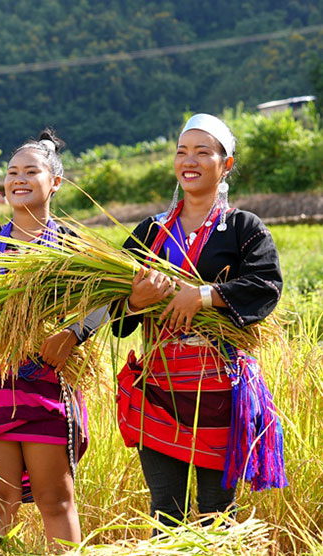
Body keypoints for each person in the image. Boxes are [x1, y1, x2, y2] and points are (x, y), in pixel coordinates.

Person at [112, 113, 286, 527]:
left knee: (216, 513)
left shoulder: (244, 228)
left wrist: (204, 296)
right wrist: (135, 301)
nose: (189, 160)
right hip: (157, 389)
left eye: (202, 152)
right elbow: (113, 308)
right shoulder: (150, 233)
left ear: (225, 164)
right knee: (165, 511)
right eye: (181, 152)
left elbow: (266, 286)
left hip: (218, 391)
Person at [0, 130, 104, 550]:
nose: (19, 179)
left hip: (50, 382)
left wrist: (72, 333)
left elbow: (106, 298)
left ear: (55, 182)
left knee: (55, 499)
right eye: (12, 172)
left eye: (31, 171)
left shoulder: (73, 244)